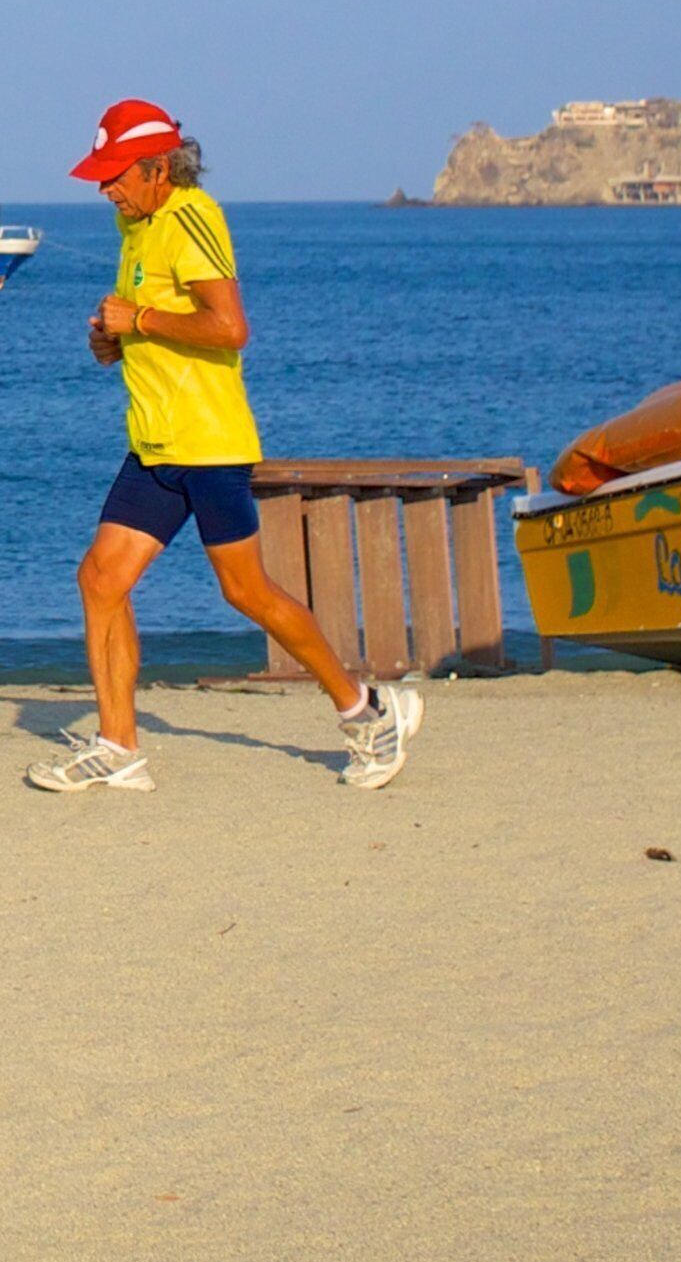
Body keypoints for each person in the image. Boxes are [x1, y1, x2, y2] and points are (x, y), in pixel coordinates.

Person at [27, 100, 419, 794]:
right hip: (155, 445)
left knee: (247, 592)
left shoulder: (191, 217)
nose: (104, 188)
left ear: (156, 169)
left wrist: (140, 317)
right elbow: (147, 328)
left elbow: (230, 327)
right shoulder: (136, 226)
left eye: (115, 174)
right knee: (100, 580)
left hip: (208, 443)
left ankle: (367, 713)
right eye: (101, 176)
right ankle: (118, 746)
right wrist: (112, 341)